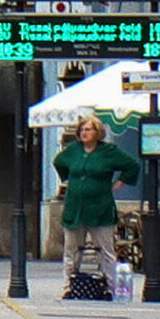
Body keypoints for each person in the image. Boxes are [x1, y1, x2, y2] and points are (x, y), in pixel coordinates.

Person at [55, 116, 139, 298]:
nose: (84, 133)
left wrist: (118, 184)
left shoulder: (108, 151)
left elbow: (132, 166)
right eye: (82, 130)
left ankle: (110, 286)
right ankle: (69, 286)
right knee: (71, 251)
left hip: (100, 209)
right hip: (75, 209)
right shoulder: (73, 150)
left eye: (88, 129)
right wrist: (70, 179)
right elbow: (59, 162)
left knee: (106, 251)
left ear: (97, 132)